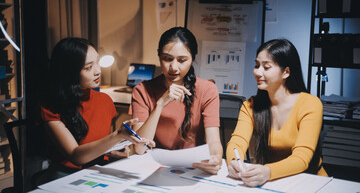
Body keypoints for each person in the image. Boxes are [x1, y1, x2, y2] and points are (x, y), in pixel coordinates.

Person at [40, 37, 154, 181]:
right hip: (66, 176)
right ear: (70, 72)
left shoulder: (104, 101)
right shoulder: (51, 107)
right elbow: (76, 156)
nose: (98, 71)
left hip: (98, 171)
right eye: (88, 67)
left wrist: (115, 150)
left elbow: (98, 145)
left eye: (97, 63)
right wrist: (117, 135)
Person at [226, 39, 327, 187]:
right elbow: (236, 143)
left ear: (286, 72)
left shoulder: (310, 104)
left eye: (266, 67)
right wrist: (234, 162)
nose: (257, 72)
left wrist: (268, 171)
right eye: (256, 65)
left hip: (310, 182)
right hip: (272, 184)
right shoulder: (250, 106)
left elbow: (302, 158)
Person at [131, 27, 223, 174]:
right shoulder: (142, 90)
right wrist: (160, 104)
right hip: (155, 166)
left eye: (182, 60)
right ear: (159, 56)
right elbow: (139, 148)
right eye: (167, 59)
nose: (173, 67)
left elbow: (213, 141)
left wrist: (216, 158)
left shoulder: (207, 90)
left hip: (194, 167)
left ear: (192, 58)